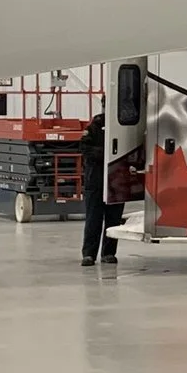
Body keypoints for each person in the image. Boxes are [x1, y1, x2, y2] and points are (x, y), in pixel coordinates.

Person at [79, 113, 122, 267]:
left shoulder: (123, 124)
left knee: (113, 219)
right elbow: (84, 147)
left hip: (117, 180)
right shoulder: (96, 124)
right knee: (93, 219)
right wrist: (105, 153)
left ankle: (109, 253)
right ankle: (89, 254)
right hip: (96, 180)